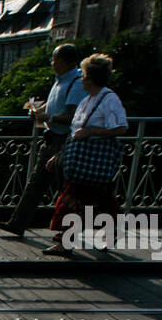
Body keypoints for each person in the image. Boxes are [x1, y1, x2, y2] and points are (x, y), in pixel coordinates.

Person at [0, 44, 86, 238]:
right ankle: (17, 224)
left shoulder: (76, 83)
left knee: (67, 190)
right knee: (36, 184)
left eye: (56, 60)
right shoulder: (60, 80)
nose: (52, 63)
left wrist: (48, 118)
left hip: (65, 142)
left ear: (67, 62)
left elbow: (73, 116)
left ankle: (68, 234)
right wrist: (38, 111)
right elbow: (54, 105)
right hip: (51, 140)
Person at [44, 53, 129, 256]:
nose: (81, 79)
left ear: (90, 78)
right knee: (100, 199)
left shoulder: (109, 99)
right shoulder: (88, 99)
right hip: (82, 159)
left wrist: (93, 132)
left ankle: (66, 243)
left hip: (93, 159)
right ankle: (113, 231)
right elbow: (76, 131)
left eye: (83, 75)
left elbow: (120, 128)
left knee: (72, 200)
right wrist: (59, 156)